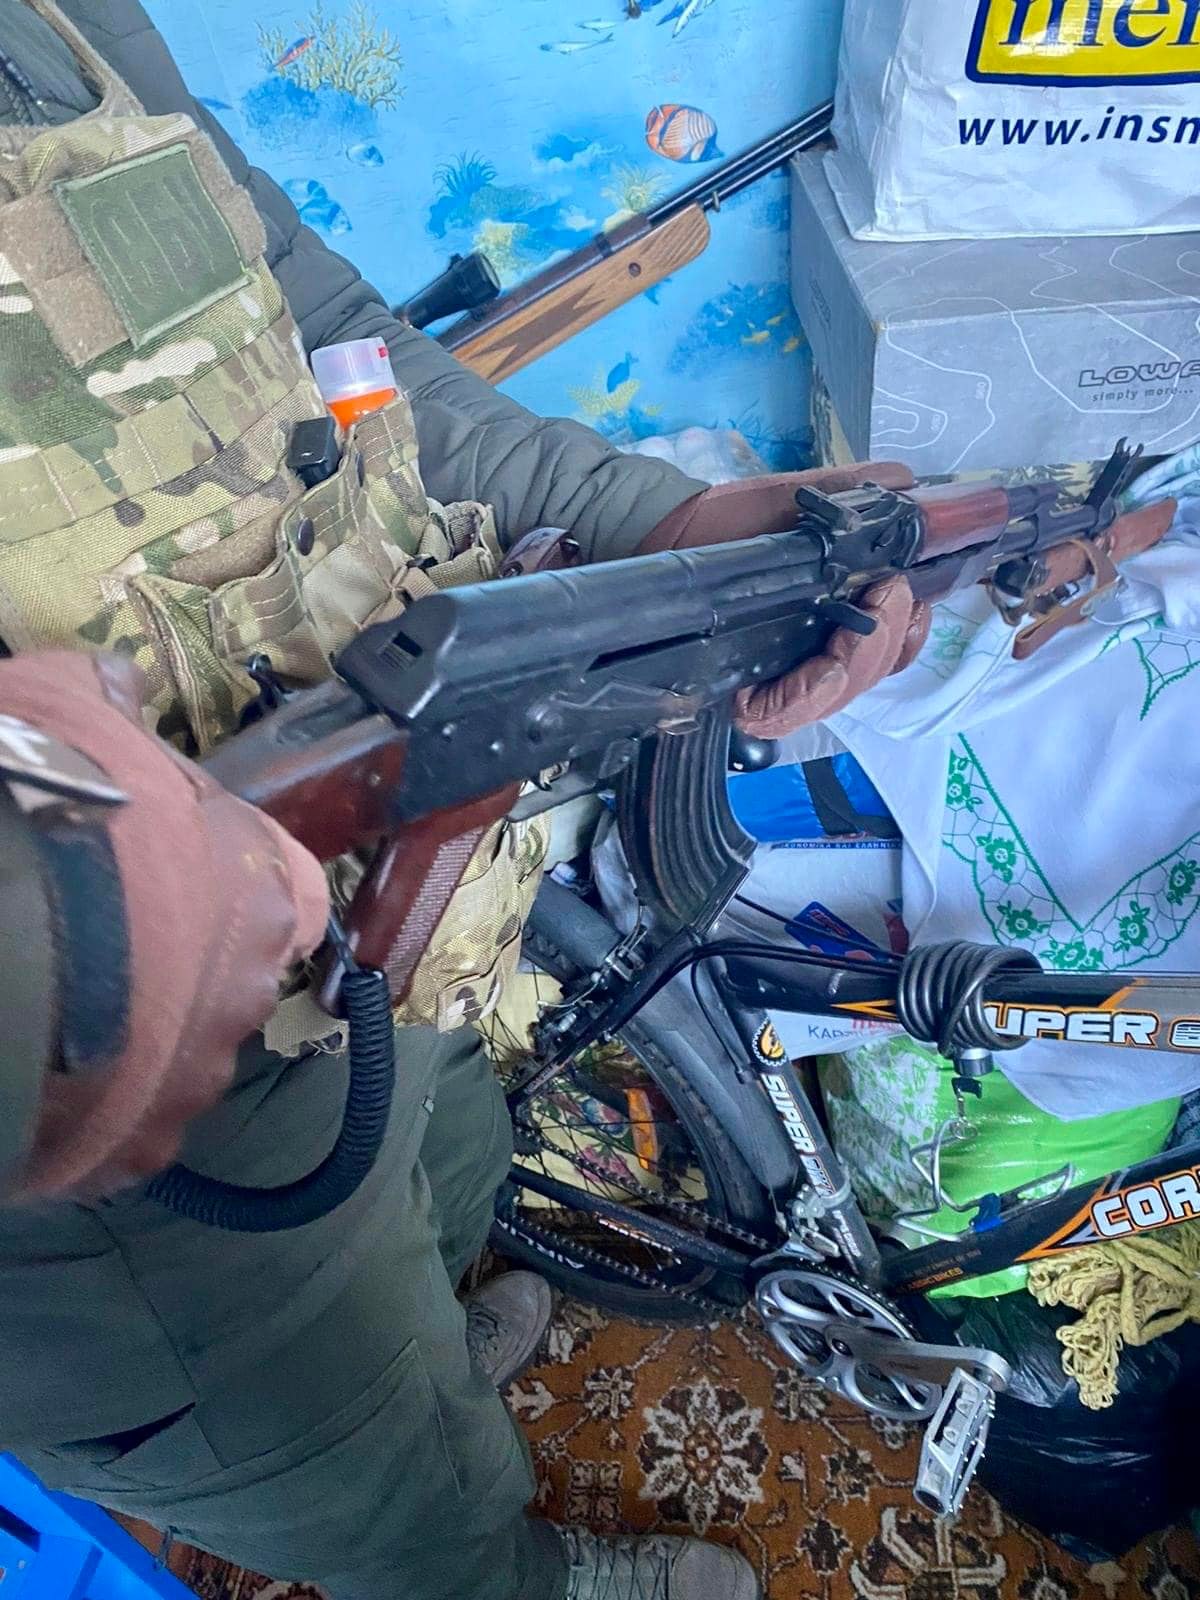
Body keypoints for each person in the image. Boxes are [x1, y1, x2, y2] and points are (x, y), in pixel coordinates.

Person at [0, 4, 1175, 1599]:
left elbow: (320, 328)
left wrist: (671, 523)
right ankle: (496, 1565)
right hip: (117, 1157)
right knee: (339, 1472)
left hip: (401, 892)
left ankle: (423, 1360)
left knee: (443, 1168)